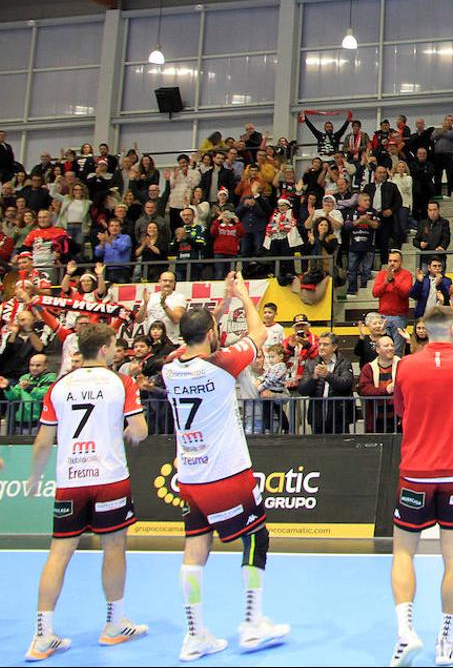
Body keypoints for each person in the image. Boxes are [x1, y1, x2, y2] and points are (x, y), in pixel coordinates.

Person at [161, 273, 288, 660]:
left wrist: (215, 309)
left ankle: (195, 633)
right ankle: (252, 623)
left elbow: (195, 336)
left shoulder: (169, 368)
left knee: (195, 550)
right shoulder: (222, 365)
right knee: (255, 538)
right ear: (214, 332)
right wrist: (241, 296)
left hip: (190, 477)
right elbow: (258, 333)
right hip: (227, 473)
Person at [24, 323, 149, 661]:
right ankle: (113, 626)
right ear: (106, 348)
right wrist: (124, 432)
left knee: (59, 553)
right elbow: (140, 430)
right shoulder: (121, 382)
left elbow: (42, 441)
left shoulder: (60, 386)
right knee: (114, 547)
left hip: (71, 480)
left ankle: (42, 635)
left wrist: (35, 478)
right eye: (114, 345)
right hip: (109, 477)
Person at [389, 306, 453, 667]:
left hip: (416, 472)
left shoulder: (407, 366)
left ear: (425, 332)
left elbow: (401, 409)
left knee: (402, 553)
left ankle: (405, 632)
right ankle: (445, 641)